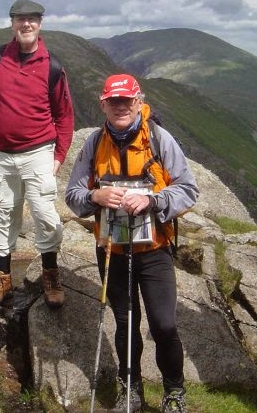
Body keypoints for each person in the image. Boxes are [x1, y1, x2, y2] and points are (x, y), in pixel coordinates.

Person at [65, 74, 199, 413]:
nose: (121, 107)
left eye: (127, 101)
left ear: (139, 102)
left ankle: (173, 393)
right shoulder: (94, 143)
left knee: (164, 324)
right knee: (125, 323)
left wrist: (153, 201)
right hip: (112, 250)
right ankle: (131, 388)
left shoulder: (159, 139)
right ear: (103, 104)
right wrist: (96, 195)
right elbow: (73, 195)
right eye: (114, 101)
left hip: (154, 250)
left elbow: (188, 189)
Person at [0, 0, 74, 309]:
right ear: (12, 23)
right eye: (20, 19)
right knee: (3, 213)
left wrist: (59, 156)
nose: (26, 24)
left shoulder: (52, 65)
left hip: (39, 152)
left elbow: (64, 115)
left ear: (40, 24)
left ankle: (51, 275)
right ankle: (2, 280)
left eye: (32, 19)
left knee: (44, 214)